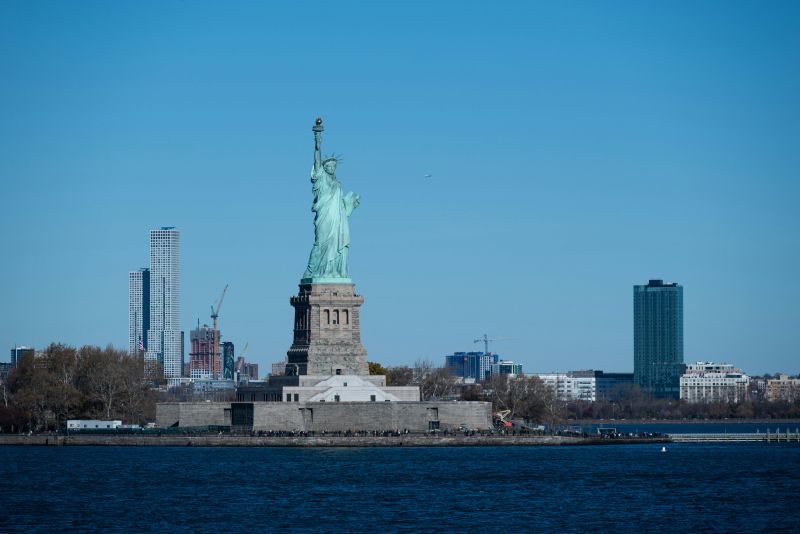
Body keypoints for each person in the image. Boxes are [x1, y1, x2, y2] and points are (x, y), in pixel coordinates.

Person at [303, 119, 360, 279]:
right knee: (320, 243)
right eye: (328, 166)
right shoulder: (321, 179)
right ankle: (311, 271)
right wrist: (317, 141)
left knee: (337, 244)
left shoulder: (337, 184)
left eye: (334, 166)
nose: (331, 168)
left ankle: (334, 272)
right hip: (324, 217)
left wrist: (350, 205)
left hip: (338, 221)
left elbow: (341, 207)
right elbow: (317, 160)